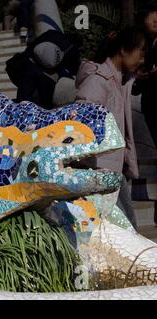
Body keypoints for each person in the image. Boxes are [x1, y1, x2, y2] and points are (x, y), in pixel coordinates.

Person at [76, 27, 146, 229]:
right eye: (140, 52)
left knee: (127, 228)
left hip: (113, 171)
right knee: (123, 231)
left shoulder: (118, 82)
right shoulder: (98, 80)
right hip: (99, 172)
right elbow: (81, 122)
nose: (141, 60)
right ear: (124, 50)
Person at [6, 30, 81, 109]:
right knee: (45, 103)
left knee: (23, 96)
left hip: (26, 64)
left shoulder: (52, 33)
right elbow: (73, 68)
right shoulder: (71, 48)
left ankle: (18, 111)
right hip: (44, 75)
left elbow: (32, 45)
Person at [134, 5, 157, 149]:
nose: (156, 22)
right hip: (151, 104)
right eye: (152, 19)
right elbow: (135, 89)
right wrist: (138, 78)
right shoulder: (141, 46)